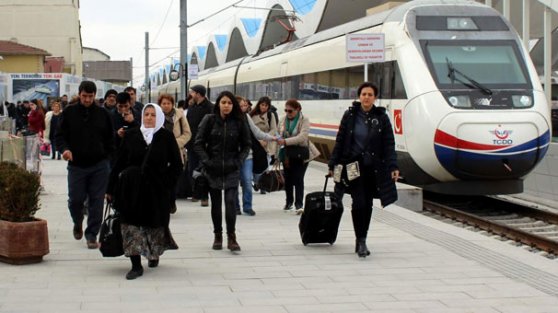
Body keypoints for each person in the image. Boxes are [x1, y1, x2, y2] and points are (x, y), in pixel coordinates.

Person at [106, 103, 181, 280]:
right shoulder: (132, 135)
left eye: (153, 115)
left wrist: (167, 185)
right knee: (130, 225)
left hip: (156, 190)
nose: (149, 118)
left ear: (159, 117)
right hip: (130, 189)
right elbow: (119, 163)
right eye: (146, 114)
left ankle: (153, 254)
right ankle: (136, 265)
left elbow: (177, 165)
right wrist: (110, 189)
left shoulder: (166, 137)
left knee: (154, 225)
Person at [328, 82, 399, 258]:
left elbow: (389, 144)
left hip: (373, 168)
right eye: (364, 94)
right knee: (358, 202)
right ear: (359, 96)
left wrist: (393, 166)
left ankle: (362, 238)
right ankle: (360, 241)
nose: (366, 97)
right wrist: (333, 164)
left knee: (367, 204)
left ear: (375, 97)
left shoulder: (382, 118)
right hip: (353, 167)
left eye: (370, 94)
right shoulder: (350, 116)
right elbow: (340, 140)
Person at [55, 81, 114, 249]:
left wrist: (108, 159)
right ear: (79, 94)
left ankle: (92, 234)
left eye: (90, 96)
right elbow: (59, 136)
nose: (87, 99)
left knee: (96, 201)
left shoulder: (103, 115)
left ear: (95, 96)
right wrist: (65, 150)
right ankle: (77, 221)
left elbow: (111, 140)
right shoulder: (69, 113)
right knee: (75, 200)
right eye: (84, 96)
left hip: (99, 165)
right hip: (76, 165)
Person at [194, 91, 251, 252]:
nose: (226, 106)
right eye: (223, 102)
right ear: (218, 104)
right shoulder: (209, 120)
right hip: (213, 168)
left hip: (232, 168)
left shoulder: (240, 121)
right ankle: (217, 235)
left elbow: (247, 145)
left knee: (231, 202)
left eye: (230, 103)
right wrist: (207, 161)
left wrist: (238, 161)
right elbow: (198, 143)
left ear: (233, 105)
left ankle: (232, 237)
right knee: (216, 204)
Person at [276, 99, 319, 214]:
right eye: (286, 110)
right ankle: (289, 202)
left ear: (298, 109)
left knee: (298, 179)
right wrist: (279, 141)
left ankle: (299, 204)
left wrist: (285, 141)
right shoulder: (282, 120)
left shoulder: (304, 120)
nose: (287, 113)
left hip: (300, 153)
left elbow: (302, 137)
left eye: (290, 111)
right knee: (288, 179)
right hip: (287, 155)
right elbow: (277, 134)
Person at [235, 96, 276, 216]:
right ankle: (236, 207)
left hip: (248, 155)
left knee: (247, 181)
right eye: (241, 105)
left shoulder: (246, 117)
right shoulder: (228, 119)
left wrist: (272, 138)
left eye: (245, 105)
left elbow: (256, 132)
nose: (244, 107)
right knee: (233, 184)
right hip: (233, 157)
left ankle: (247, 206)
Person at [158, 93, 192, 212]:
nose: (166, 106)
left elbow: (187, 133)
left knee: (173, 179)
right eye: (163, 103)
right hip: (160, 152)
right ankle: (164, 202)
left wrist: (174, 143)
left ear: (173, 104)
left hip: (176, 152)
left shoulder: (180, 115)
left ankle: (171, 200)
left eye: (168, 103)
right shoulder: (155, 115)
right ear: (160, 105)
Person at [187, 85, 213, 207]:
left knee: (204, 170)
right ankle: (196, 192)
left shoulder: (210, 107)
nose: (191, 94)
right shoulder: (192, 107)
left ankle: (204, 196)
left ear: (198, 94)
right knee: (193, 169)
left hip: (205, 145)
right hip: (192, 144)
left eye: (192, 92)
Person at [250, 96, 278, 193]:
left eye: (266, 105)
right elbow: (251, 130)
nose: (264, 107)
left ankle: (263, 185)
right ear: (259, 104)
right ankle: (257, 182)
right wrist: (258, 141)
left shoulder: (271, 115)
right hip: (255, 143)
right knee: (256, 164)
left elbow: (274, 129)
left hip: (267, 143)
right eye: (262, 105)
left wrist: (266, 138)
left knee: (265, 165)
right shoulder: (251, 115)